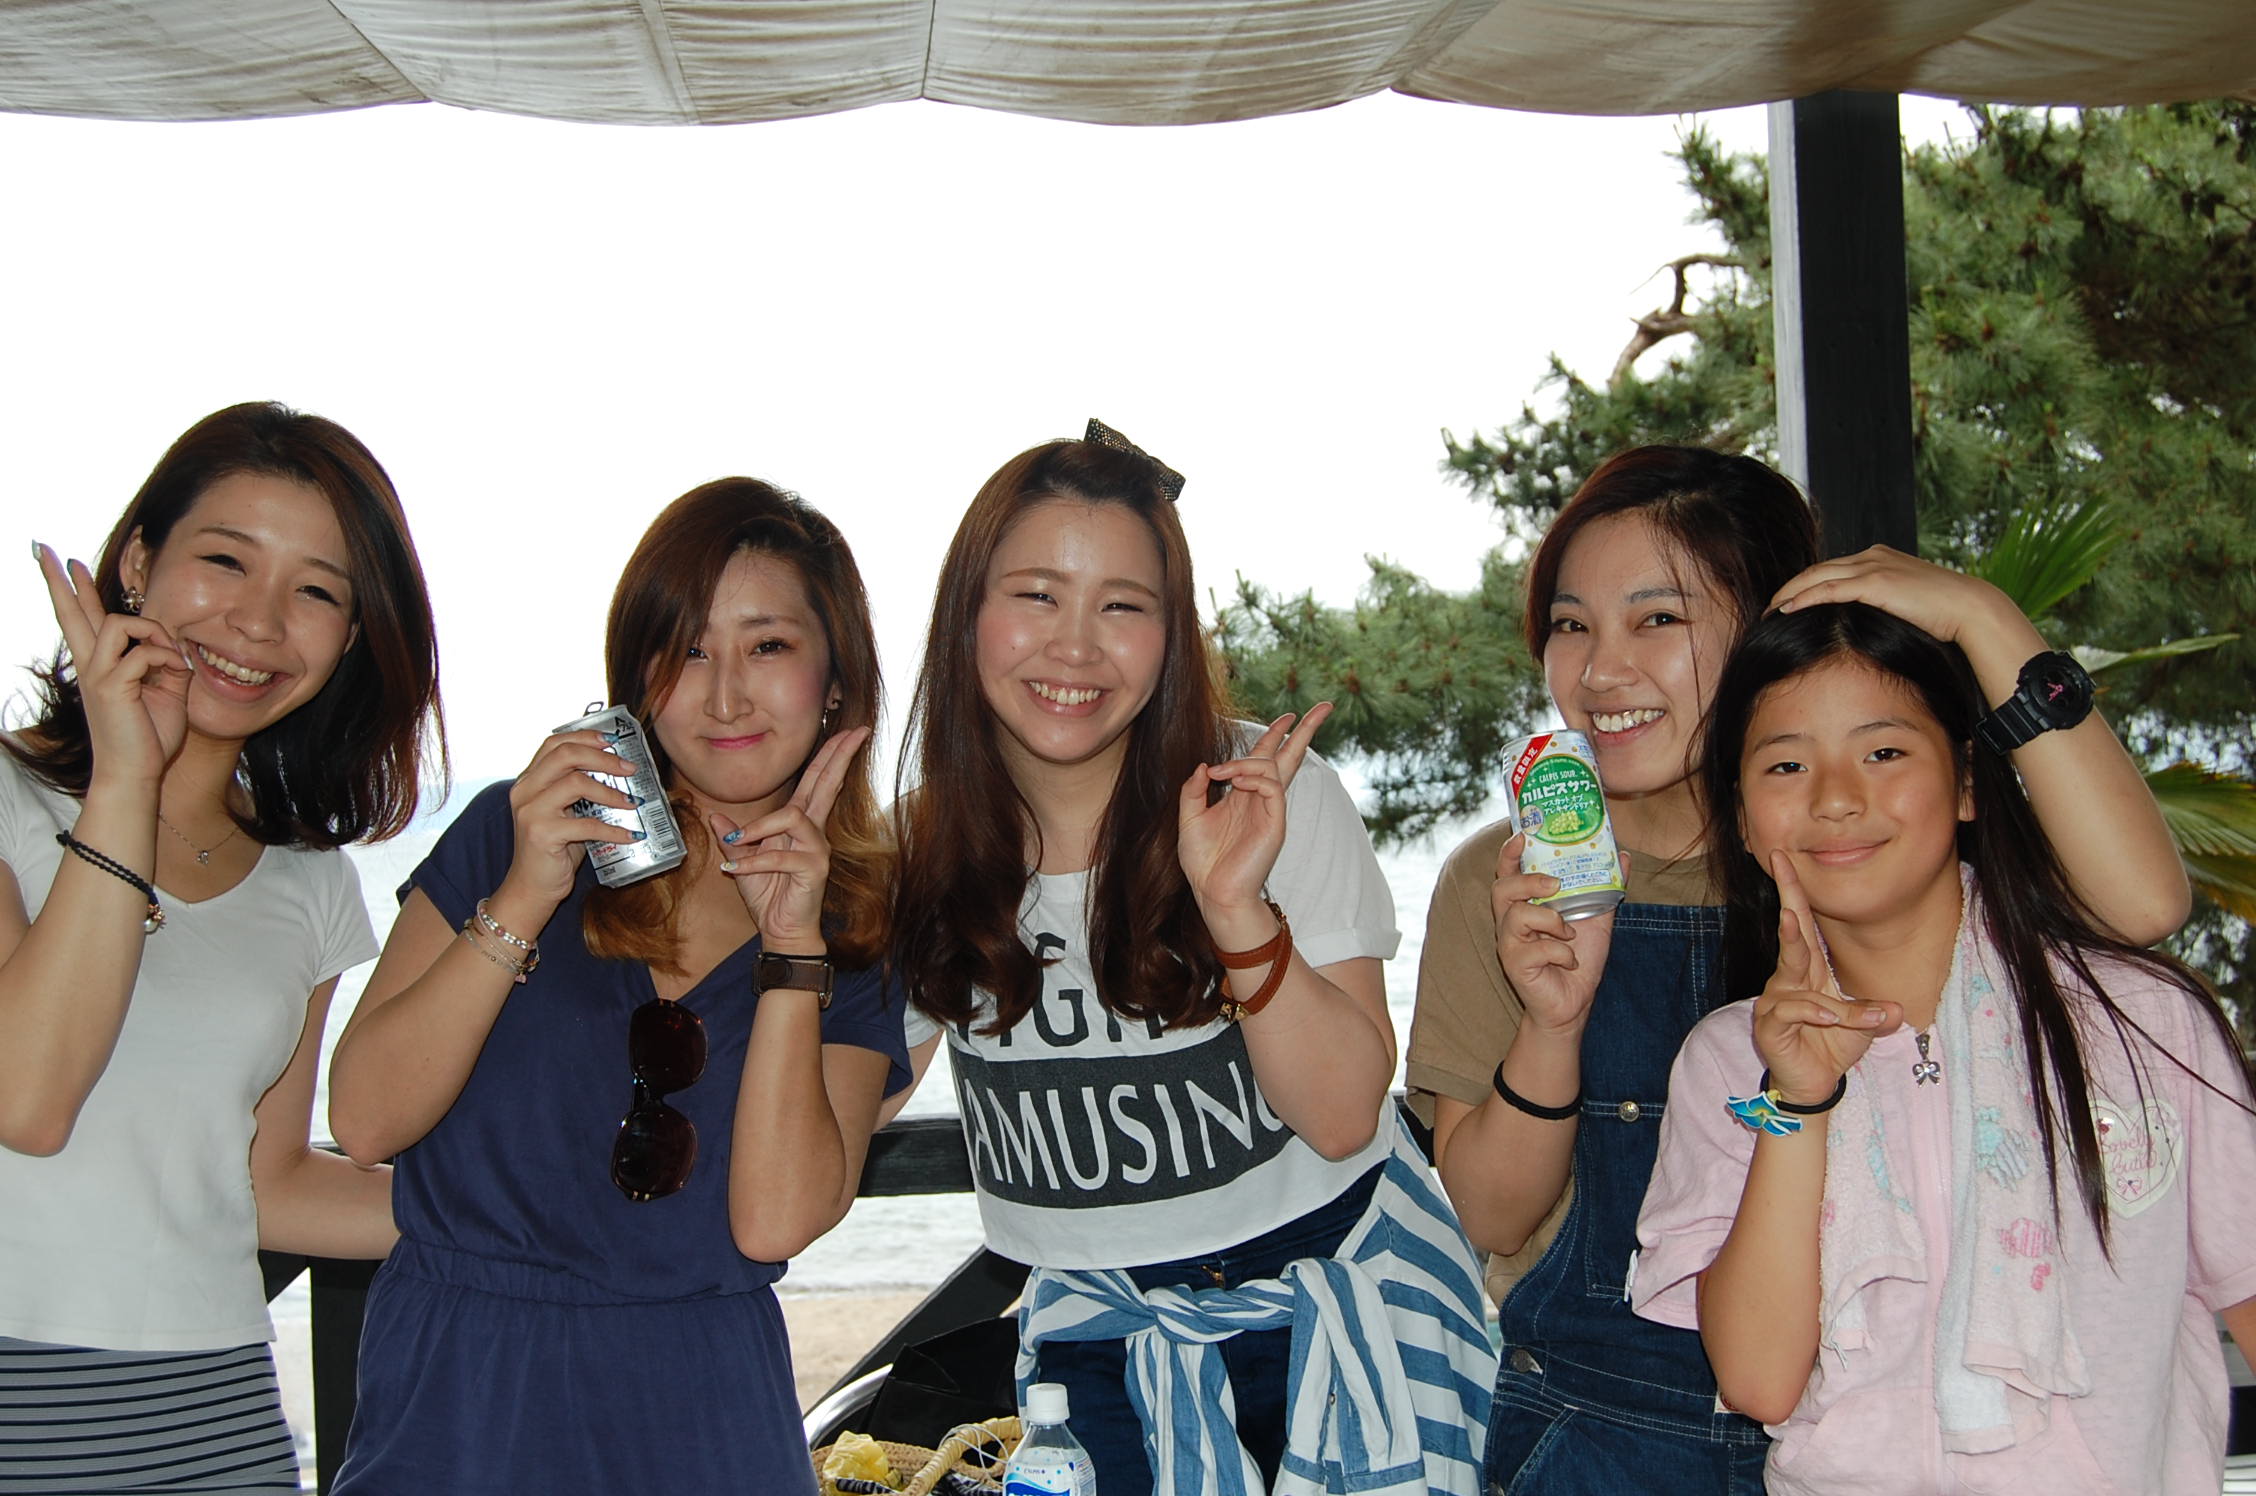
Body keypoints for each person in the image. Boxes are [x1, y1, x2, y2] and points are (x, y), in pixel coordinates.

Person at [1403, 445, 2191, 1492]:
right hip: (1603, 1441)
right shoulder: (1511, 881)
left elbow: (2144, 908)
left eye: (1657, 618)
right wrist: (1555, 1024)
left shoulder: (1858, 855)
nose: (1598, 672)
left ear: (1770, 625)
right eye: (1570, 624)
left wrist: (1983, 617)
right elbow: (1486, 1218)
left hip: (1866, 1443)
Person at [888, 423, 1493, 1496]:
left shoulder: (1265, 796)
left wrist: (1233, 903)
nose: (1076, 647)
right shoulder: (919, 850)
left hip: (1343, 1303)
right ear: (966, 611)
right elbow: (841, 1118)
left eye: (1124, 606)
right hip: (1102, 1334)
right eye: (1036, 595)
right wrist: (791, 936)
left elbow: (1344, 1115)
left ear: (1172, 633)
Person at [326, 478, 907, 1496]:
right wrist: (525, 891)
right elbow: (365, 1119)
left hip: (706, 1412)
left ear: (835, 681)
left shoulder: (852, 925)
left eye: (768, 645)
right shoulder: (515, 835)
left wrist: (790, 948)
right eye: (687, 649)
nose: (724, 696)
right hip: (465, 1397)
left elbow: (775, 1222)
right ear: (639, 675)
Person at [1632, 600, 2256, 1492]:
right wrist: (1798, 1100)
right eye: (1786, 765)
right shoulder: (1730, 1063)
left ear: (1966, 782)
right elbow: (1760, 1379)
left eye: (1884, 753)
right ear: (1741, 817)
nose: (1836, 797)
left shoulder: (2142, 1018)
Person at [0, 401, 443, 1494]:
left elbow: (269, 1182)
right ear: (138, 563)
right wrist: (126, 777)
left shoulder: (309, 882)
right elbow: (29, 1097)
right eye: (226, 560)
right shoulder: (8, 798)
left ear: (351, 637)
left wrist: (544, 1211)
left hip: (215, 1410)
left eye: (317, 592)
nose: (258, 622)